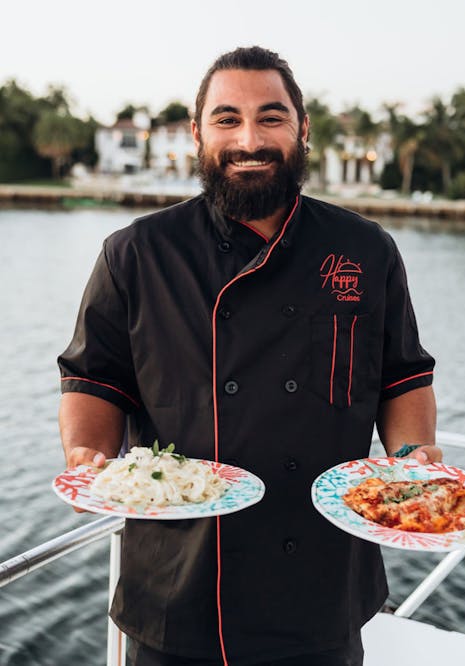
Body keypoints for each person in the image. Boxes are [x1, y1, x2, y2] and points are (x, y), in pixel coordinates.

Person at [58, 46, 441, 666]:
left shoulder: (365, 248)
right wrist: (87, 459)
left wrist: (409, 460)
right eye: (227, 119)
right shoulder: (136, 253)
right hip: (178, 588)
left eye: (271, 117)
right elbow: (94, 380)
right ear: (197, 132)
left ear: (302, 129)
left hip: (322, 586)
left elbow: (402, 376)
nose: (249, 139)